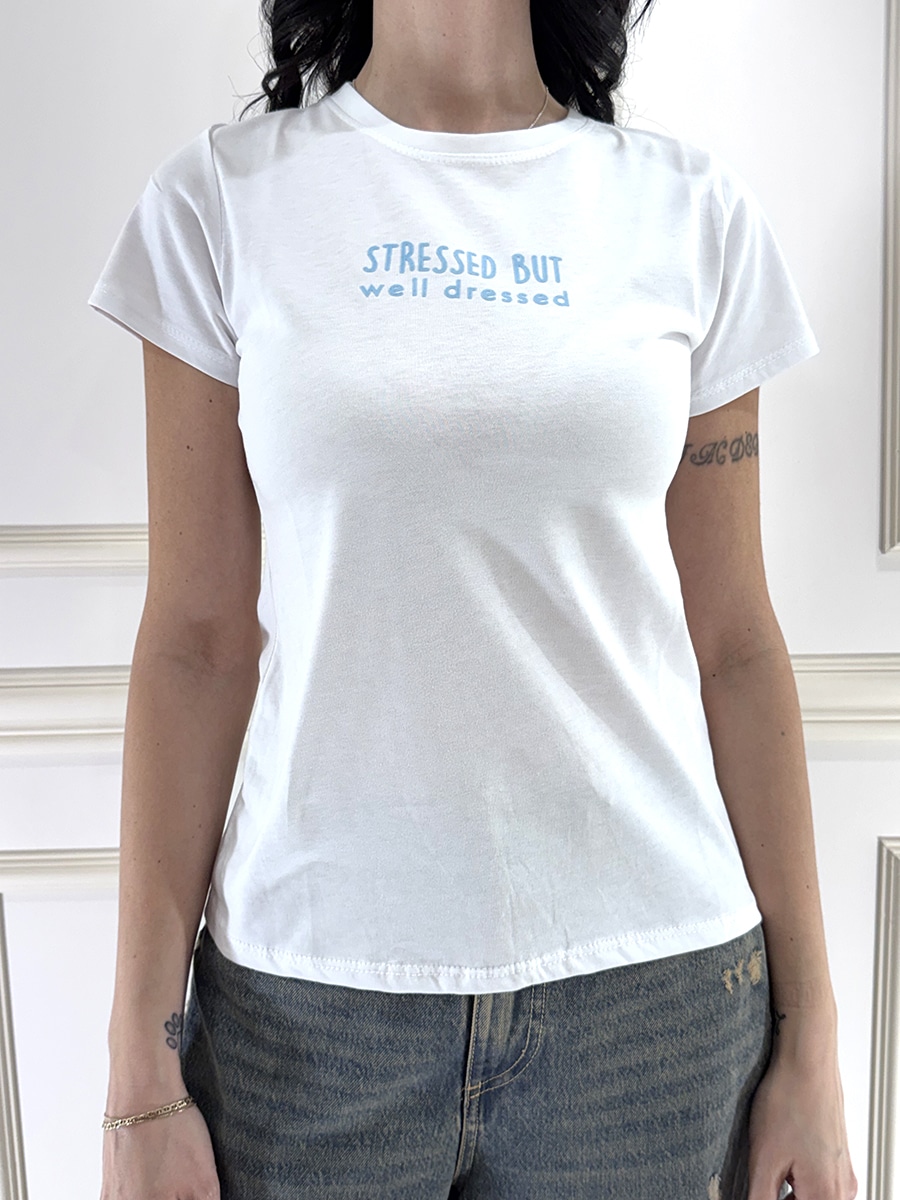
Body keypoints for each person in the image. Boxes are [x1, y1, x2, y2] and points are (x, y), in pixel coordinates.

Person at [89, 1, 858, 1198]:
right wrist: (139, 1068)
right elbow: (196, 644)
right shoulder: (219, 203)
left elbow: (737, 646)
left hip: (649, 1011)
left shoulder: (690, 212)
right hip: (309, 1018)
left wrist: (814, 1036)